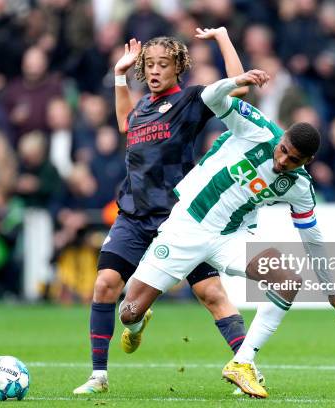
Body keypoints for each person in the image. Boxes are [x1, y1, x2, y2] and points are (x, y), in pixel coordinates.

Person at [117, 70, 335, 399]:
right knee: (129, 311)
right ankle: (137, 325)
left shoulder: (299, 187)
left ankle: (242, 363)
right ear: (282, 136)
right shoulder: (257, 129)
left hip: (231, 237)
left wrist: (332, 292)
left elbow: (312, 240)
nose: (282, 160)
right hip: (188, 225)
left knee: (288, 280)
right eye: (283, 149)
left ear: (308, 161)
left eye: (293, 159)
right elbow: (211, 98)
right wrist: (236, 81)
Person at [73, 28, 251, 395]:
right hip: (134, 216)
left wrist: (221, 38)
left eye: (162, 65)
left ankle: (247, 368)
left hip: (180, 221)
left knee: (212, 294)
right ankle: (98, 376)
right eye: (149, 65)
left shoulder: (190, 101)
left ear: (178, 68)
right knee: (106, 285)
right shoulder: (141, 107)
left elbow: (239, 88)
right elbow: (124, 122)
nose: (154, 71)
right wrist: (120, 74)